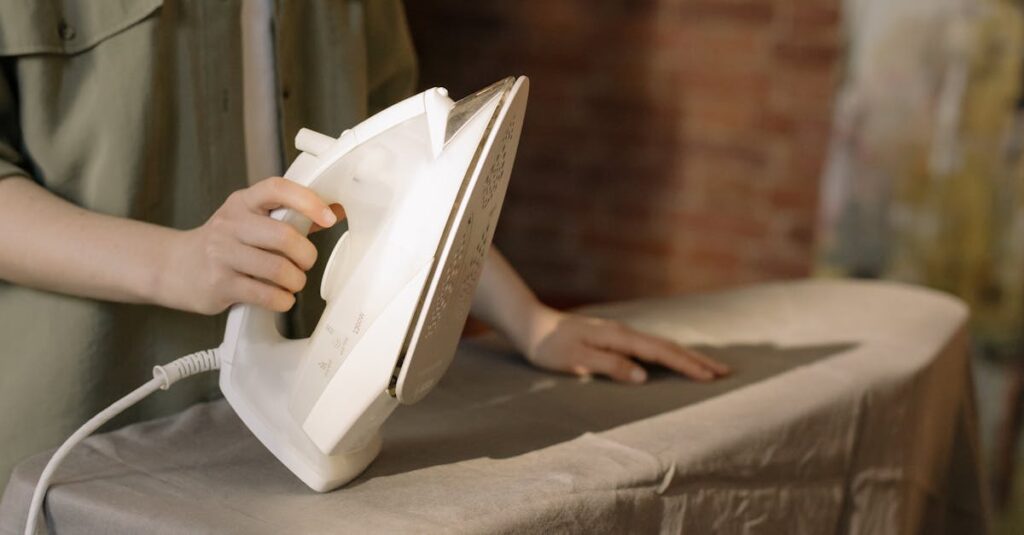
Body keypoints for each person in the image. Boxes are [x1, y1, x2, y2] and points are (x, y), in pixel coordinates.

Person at [0, 0, 728, 486]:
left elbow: (407, 173)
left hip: (273, 460)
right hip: (89, 434)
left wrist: (529, 320)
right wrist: (178, 264)